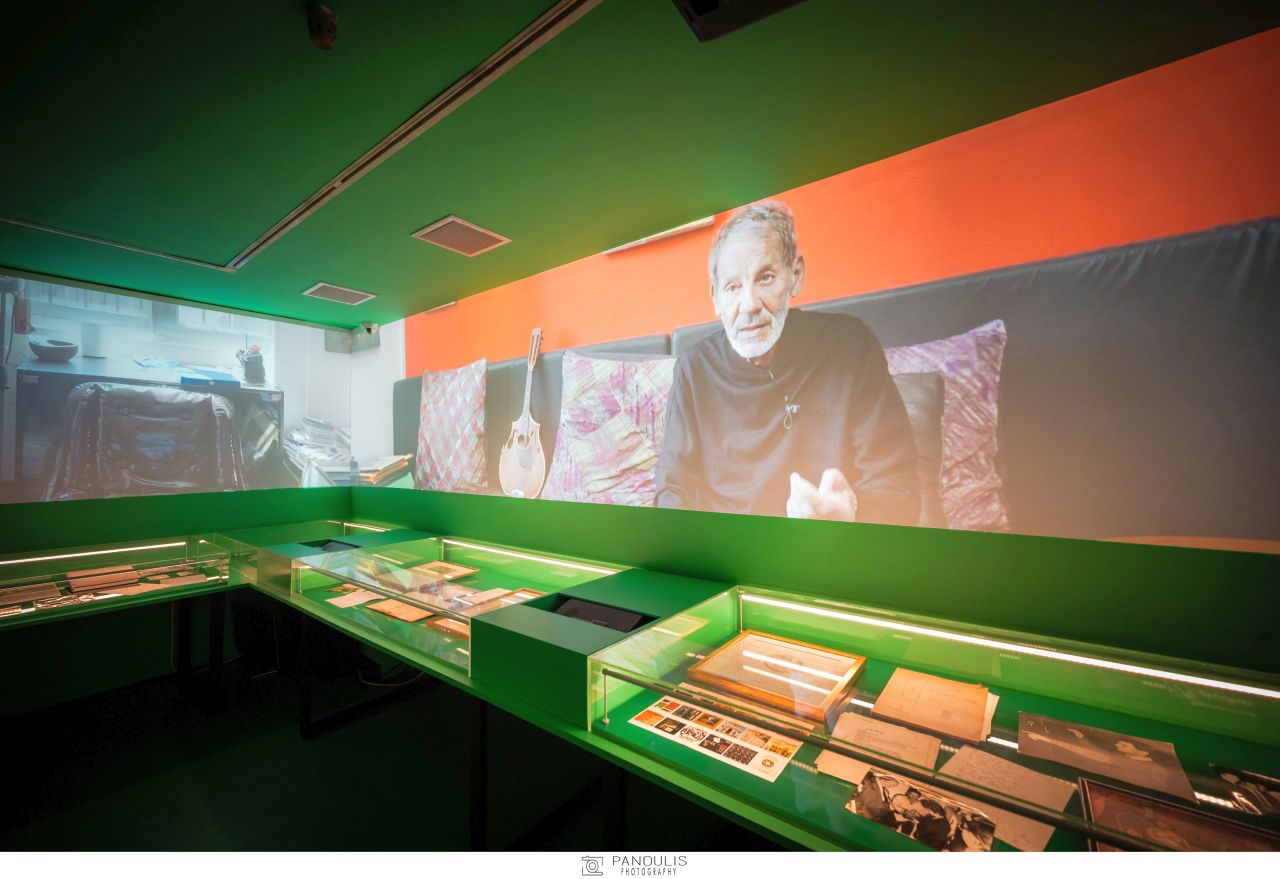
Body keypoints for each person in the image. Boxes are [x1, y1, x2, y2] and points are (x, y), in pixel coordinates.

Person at [655, 200, 919, 523]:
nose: (749, 304)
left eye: (765, 277)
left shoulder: (850, 346)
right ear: (715, 298)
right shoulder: (694, 370)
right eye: (733, 287)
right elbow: (673, 488)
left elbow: (897, 483)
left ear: (795, 275)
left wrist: (851, 514)